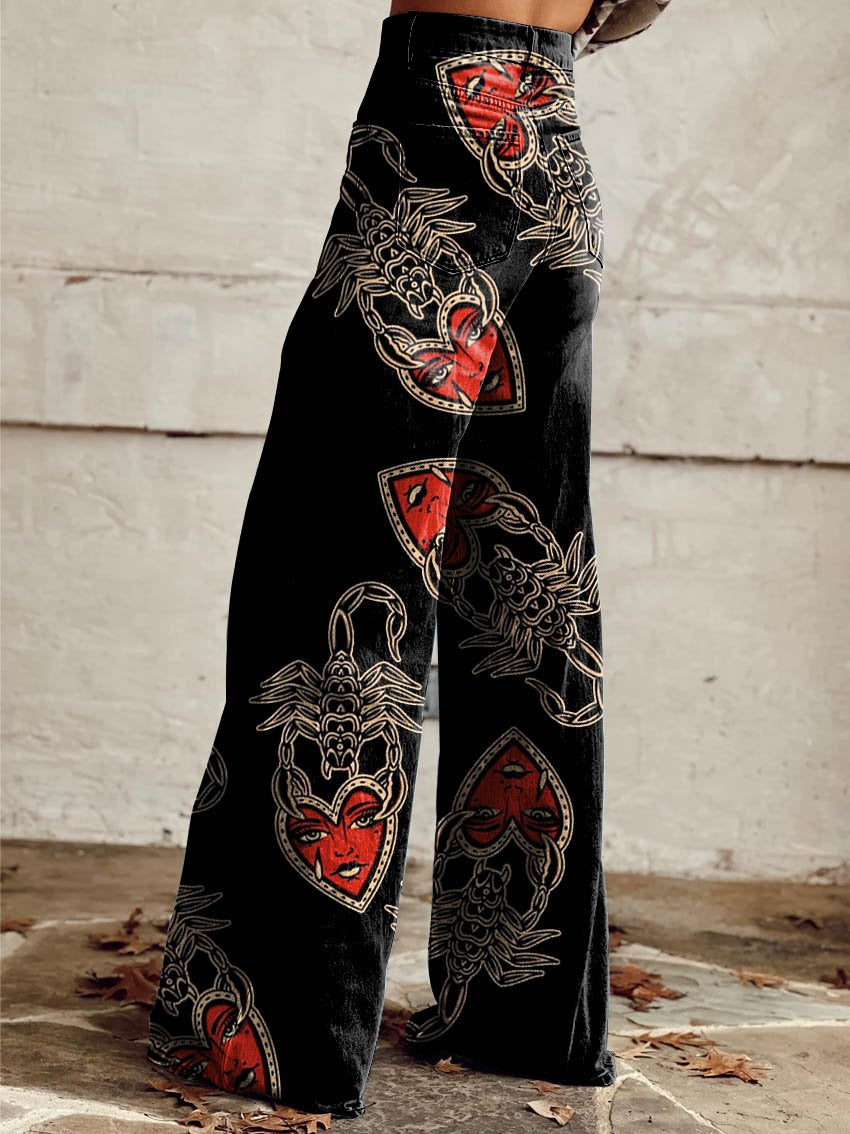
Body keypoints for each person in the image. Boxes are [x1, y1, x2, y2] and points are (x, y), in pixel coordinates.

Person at [146, 0, 674, 1119]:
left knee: (335, 575)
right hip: (552, 153)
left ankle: (285, 1035)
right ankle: (528, 1018)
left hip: (431, 137)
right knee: (529, 597)